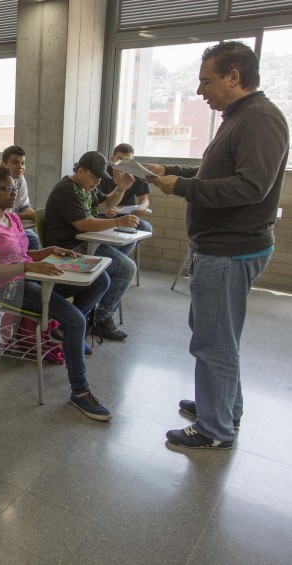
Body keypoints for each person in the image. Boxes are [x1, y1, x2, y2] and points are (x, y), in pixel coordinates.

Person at [146, 41, 288, 450]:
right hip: (224, 247)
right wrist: (170, 172)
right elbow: (218, 170)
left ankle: (214, 429)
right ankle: (224, 407)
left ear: (234, 77)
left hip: (230, 249)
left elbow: (249, 185)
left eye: (206, 81)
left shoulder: (260, 119)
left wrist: (184, 187)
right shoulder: (240, 117)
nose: (200, 90)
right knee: (216, 333)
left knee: (213, 340)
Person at [0, 165, 111, 420]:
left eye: (15, 187)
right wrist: (29, 266)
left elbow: (23, 255)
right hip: (12, 288)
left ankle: (63, 330)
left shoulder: (12, 218)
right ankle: (80, 392)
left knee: (101, 280)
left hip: (31, 277)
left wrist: (49, 251)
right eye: (7, 189)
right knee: (76, 319)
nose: (14, 192)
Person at [43, 151, 139, 341]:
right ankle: (97, 319)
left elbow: (104, 205)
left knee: (118, 266)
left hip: (84, 243)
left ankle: (83, 319)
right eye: (94, 177)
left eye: (99, 178)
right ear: (80, 171)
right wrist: (119, 223)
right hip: (67, 248)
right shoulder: (67, 189)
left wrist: (120, 189)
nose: (97, 183)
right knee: (126, 268)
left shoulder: (86, 188)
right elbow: (83, 224)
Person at [99, 143, 153, 234]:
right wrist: (106, 210)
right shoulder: (103, 174)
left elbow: (144, 199)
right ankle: (113, 247)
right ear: (112, 159)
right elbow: (97, 202)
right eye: (120, 159)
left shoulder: (137, 174)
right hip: (104, 214)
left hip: (127, 215)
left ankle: (121, 248)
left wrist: (142, 207)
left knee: (146, 228)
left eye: (128, 160)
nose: (124, 163)